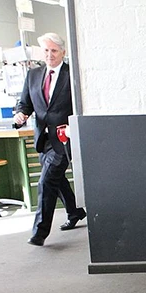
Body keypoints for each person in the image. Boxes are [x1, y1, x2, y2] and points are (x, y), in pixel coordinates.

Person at [13, 33, 87, 246]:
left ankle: (39, 232)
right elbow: (25, 103)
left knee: (46, 181)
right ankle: (74, 212)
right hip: (43, 138)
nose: (49, 55)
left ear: (63, 52)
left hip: (64, 138)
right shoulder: (34, 75)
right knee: (56, 179)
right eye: (46, 50)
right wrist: (21, 114)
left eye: (54, 50)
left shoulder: (72, 76)